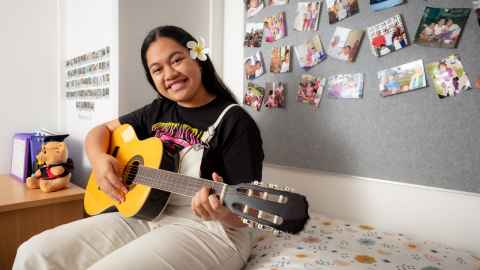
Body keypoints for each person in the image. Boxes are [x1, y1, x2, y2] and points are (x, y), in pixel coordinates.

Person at [13, 25, 264, 270]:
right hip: (150, 214)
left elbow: (249, 214)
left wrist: (219, 211)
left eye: (176, 60)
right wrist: (99, 159)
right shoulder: (158, 110)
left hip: (211, 229)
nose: (169, 74)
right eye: (157, 70)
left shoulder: (235, 122)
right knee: (34, 254)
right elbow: (98, 132)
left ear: (198, 59)